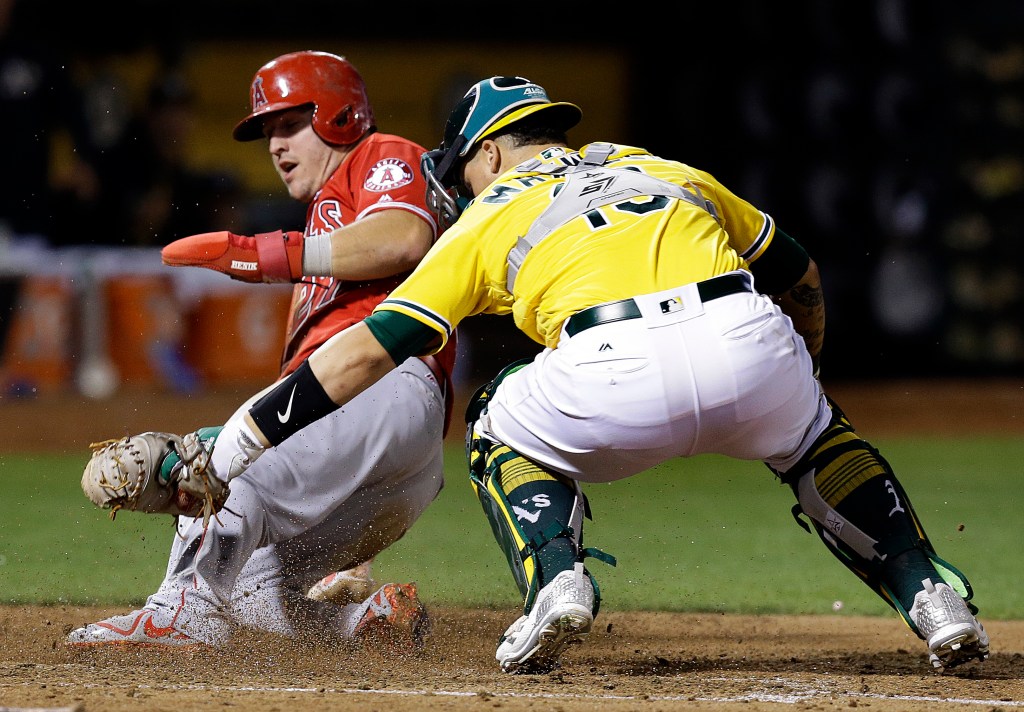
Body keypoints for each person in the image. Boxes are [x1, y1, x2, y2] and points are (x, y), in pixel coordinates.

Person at [136, 76, 987, 675]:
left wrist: (232, 439)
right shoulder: (656, 165)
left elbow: (366, 349)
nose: (460, 182)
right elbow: (794, 266)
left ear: (496, 151)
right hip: (745, 330)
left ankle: (556, 586)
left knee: (496, 413)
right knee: (817, 439)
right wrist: (801, 359)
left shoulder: (489, 213)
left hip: (608, 368)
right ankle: (931, 597)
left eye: (462, 165)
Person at [67, 51, 456, 648]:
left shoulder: (381, 156)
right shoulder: (329, 215)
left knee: (232, 466)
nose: (274, 145)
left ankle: (178, 611)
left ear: (341, 115)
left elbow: (404, 237)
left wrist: (267, 254)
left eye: (288, 124)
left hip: (386, 386)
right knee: (249, 582)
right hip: (403, 460)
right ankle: (363, 625)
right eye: (267, 132)